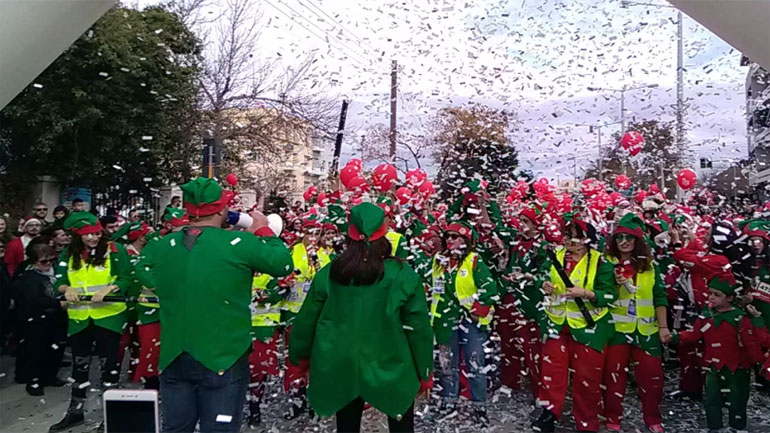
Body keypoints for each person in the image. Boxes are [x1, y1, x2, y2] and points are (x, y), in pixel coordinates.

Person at [136, 177, 293, 432]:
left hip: (174, 354)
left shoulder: (162, 245)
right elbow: (283, 264)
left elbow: (143, 270)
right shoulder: (240, 245)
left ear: (187, 210)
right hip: (224, 356)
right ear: (222, 210)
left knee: (175, 428)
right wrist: (263, 230)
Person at [289, 202, 434, 433]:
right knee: (402, 425)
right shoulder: (403, 276)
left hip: (341, 363)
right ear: (384, 232)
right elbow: (418, 329)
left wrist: (300, 361)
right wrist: (425, 371)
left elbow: (307, 322)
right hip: (393, 364)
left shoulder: (330, 273)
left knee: (346, 426)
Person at [533, 214, 618, 433]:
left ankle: (587, 422)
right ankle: (549, 414)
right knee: (552, 373)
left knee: (587, 379)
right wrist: (544, 285)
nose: (571, 241)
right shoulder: (554, 256)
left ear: (587, 239)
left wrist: (587, 293)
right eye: (568, 236)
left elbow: (610, 295)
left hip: (589, 327)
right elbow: (540, 276)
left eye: (577, 237)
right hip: (556, 323)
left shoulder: (601, 261)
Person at [50, 212, 133, 432]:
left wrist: (111, 288)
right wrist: (66, 289)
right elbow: (59, 280)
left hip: (108, 317)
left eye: (97, 233)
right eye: (88, 235)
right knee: (79, 368)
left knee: (109, 369)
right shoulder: (68, 253)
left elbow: (127, 277)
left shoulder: (115, 250)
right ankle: (75, 412)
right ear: (78, 235)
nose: (94, 238)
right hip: (79, 319)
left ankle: (111, 417)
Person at [601, 214, 669, 433]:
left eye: (629, 237)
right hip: (617, 330)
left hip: (647, 331)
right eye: (619, 237)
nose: (624, 242)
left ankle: (652, 417)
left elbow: (659, 297)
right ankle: (612, 417)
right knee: (613, 377)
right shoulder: (606, 264)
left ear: (638, 240)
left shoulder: (650, 267)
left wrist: (663, 327)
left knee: (652, 379)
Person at [673, 274, 764, 432]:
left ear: (729, 298)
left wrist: (761, 364)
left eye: (717, 295)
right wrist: (674, 337)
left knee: (737, 402)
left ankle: (737, 428)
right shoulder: (706, 316)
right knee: (711, 401)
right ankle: (714, 428)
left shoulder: (740, 319)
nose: (712, 298)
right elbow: (694, 334)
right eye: (710, 293)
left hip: (737, 369)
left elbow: (751, 344)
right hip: (712, 367)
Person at [428, 221, 499, 425]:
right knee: (447, 364)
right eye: (447, 237)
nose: (450, 240)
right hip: (445, 319)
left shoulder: (474, 260)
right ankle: (449, 402)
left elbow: (489, 288)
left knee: (475, 364)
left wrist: (478, 311)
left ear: (465, 240)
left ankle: (479, 407)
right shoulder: (438, 260)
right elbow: (433, 287)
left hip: (470, 321)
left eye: (455, 237)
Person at [12, 243, 67, 396]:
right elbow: (33, 299)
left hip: (55, 318)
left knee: (56, 349)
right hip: (35, 320)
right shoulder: (28, 277)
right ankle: (34, 381)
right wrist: (58, 303)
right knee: (36, 352)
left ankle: (50, 376)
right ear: (33, 261)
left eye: (51, 260)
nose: (48, 263)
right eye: (44, 261)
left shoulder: (56, 273)